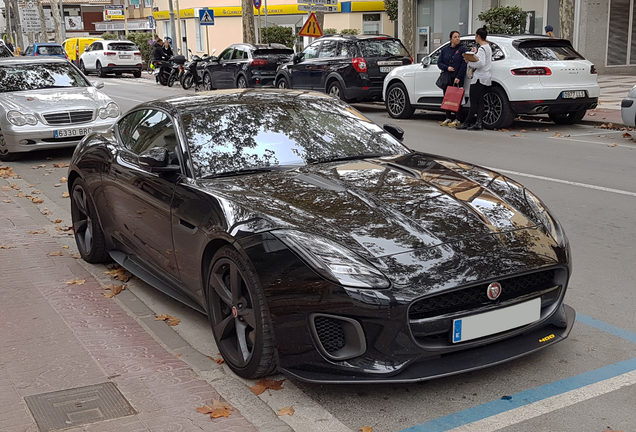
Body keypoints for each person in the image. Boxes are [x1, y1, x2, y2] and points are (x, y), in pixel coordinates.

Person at [457, 26, 492, 131]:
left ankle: (468, 122)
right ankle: (478, 122)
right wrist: (475, 53)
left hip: (479, 78)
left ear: (478, 36)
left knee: (474, 101)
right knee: (480, 101)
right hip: (486, 77)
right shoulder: (487, 47)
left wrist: (469, 62)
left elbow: (480, 63)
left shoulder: (482, 48)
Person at [437, 31, 467, 127]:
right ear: (451, 39)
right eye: (455, 37)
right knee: (447, 97)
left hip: (457, 77)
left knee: (457, 98)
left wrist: (459, 76)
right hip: (447, 76)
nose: (457, 38)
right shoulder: (445, 50)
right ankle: (448, 117)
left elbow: (464, 64)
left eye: (458, 37)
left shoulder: (462, 49)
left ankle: (458, 118)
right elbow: (439, 62)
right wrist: (447, 68)